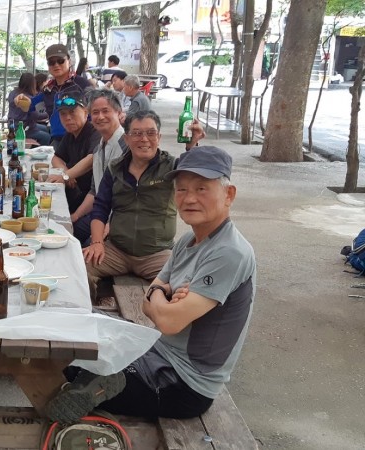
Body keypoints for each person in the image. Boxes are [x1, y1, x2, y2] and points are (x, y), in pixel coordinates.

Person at [46, 145, 256, 422]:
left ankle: (96, 386)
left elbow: (168, 322)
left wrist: (160, 295)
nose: (189, 198)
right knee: (71, 336)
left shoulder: (229, 252)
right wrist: (162, 293)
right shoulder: (188, 240)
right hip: (157, 350)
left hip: (183, 383)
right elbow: (149, 305)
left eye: (202, 189)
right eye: (182, 189)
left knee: (63, 362)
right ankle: (97, 382)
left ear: (229, 194)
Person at [83, 111, 204, 303]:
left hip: (158, 254)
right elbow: (100, 207)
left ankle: (161, 321)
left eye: (151, 133)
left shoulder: (171, 166)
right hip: (116, 250)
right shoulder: (115, 168)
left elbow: (195, 175)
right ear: (127, 138)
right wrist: (97, 242)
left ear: (159, 137)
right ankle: (91, 312)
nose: (144, 139)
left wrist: (192, 145)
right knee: (76, 267)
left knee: (189, 286)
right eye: (137, 133)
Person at [71, 90, 129, 246]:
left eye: (106, 111)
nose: (100, 117)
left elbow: (133, 197)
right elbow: (95, 191)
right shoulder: (98, 149)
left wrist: (109, 226)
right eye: (95, 112)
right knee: (68, 231)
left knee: (86, 248)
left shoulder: (128, 147)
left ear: (119, 113)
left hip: (120, 221)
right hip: (100, 215)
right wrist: (75, 216)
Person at [14, 44, 91, 150]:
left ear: (69, 61)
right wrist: (20, 100)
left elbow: (95, 110)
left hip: (82, 140)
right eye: (51, 62)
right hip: (58, 141)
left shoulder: (82, 84)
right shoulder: (48, 89)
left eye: (60, 61)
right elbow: (29, 106)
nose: (56, 65)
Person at [47, 91, 99, 214]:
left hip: (89, 200)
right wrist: (66, 173)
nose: (68, 118)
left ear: (86, 112)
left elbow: (92, 159)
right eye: (63, 114)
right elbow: (56, 158)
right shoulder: (70, 134)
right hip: (73, 193)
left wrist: (66, 176)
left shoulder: (94, 132)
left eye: (72, 112)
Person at [6, 73, 51, 146]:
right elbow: (36, 116)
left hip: (12, 125)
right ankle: (39, 151)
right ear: (32, 84)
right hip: (22, 128)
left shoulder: (12, 93)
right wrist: (49, 114)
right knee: (46, 136)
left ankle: (35, 147)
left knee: (45, 129)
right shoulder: (28, 98)